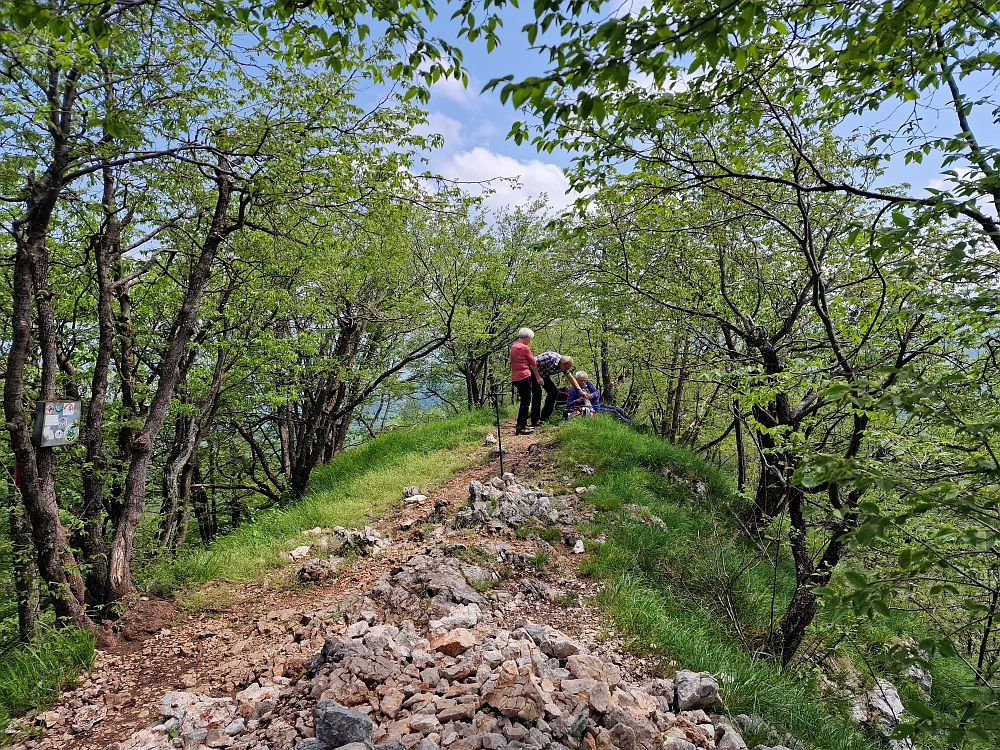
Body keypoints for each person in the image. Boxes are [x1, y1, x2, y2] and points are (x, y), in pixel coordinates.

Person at [534, 351, 583, 424]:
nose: (567, 369)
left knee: (553, 392)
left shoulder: (564, 367)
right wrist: (537, 377)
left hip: (543, 375)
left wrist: (580, 390)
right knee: (537, 394)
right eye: (567, 367)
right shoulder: (549, 357)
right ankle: (534, 419)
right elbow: (532, 363)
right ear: (562, 363)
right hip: (533, 372)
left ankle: (544, 417)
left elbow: (571, 378)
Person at [510, 328, 543, 435]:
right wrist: (538, 377)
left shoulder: (514, 346)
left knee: (524, 400)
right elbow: (533, 362)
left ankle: (521, 424)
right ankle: (521, 426)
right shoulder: (524, 348)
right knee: (526, 402)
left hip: (515, 377)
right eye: (530, 339)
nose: (530, 341)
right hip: (524, 376)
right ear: (527, 338)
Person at [566, 371, 632, 424]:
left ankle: (631, 421)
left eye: (585, 380)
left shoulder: (588, 384)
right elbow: (569, 405)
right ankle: (629, 424)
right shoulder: (573, 390)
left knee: (619, 409)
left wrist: (591, 396)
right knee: (614, 412)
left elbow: (597, 393)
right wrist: (578, 401)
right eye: (581, 381)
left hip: (597, 405)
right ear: (576, 380)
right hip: (591, 410)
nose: (583, 382)